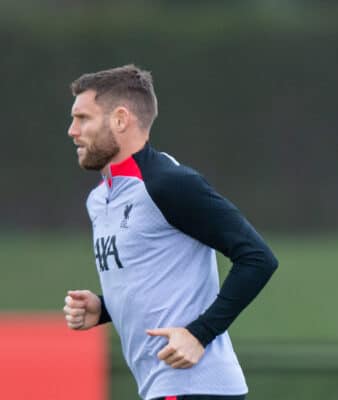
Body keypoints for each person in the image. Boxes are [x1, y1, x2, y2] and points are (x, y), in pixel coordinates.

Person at [63, 64, 278, 400]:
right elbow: (155, 278)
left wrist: (199, 334)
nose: (72, 131)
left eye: (83, 118)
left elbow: (258, 258)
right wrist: (104, 308)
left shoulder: (168, 184)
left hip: (196, 387)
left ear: (120, 119)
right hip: (165, 389)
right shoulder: (99, 198)